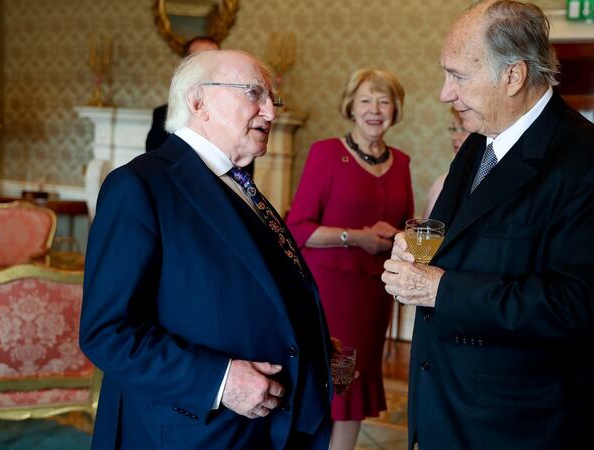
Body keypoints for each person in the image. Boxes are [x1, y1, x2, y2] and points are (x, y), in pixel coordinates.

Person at [381, 1, 594, 449]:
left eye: (458, 76)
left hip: (526, 426)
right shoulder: (477, 144)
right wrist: (416, 250)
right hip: (451, 407)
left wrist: (439, 288)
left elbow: (573, 305)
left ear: (513, 76)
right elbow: (462, 239)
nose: (445, 93)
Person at [80, 50, 334, 449]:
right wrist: (221, 380)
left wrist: (313, 346)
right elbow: (107, 332)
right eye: (254, 93)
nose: (270, 112)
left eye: (272, 99)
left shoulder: (239, 184)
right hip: (189, 431)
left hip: (262, 429)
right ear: (198, 102)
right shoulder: (140, 186)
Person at [286, 68, 413, 450]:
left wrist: (399, 237)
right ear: (351, 108)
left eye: (384, 100)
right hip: (330, 293)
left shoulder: (402, 162)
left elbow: (403, 223)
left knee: (354, 387)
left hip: (374, 295)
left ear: (395, 109)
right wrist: (356, 237)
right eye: (366, 100)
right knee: (328, 381)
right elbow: (298, 227)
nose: (375, 109)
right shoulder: (326, 153)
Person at [145, 36, 219, 152]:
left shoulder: (234, 114)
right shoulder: (162, 115)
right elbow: (155, 161)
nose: (208, 66)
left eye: (213, 58)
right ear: (187, 65)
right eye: (201, 58)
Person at [422, 107, 470, 218]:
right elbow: (426, 232)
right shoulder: (441, 183)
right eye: (453, 129)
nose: (454, 137)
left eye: (463, 129)